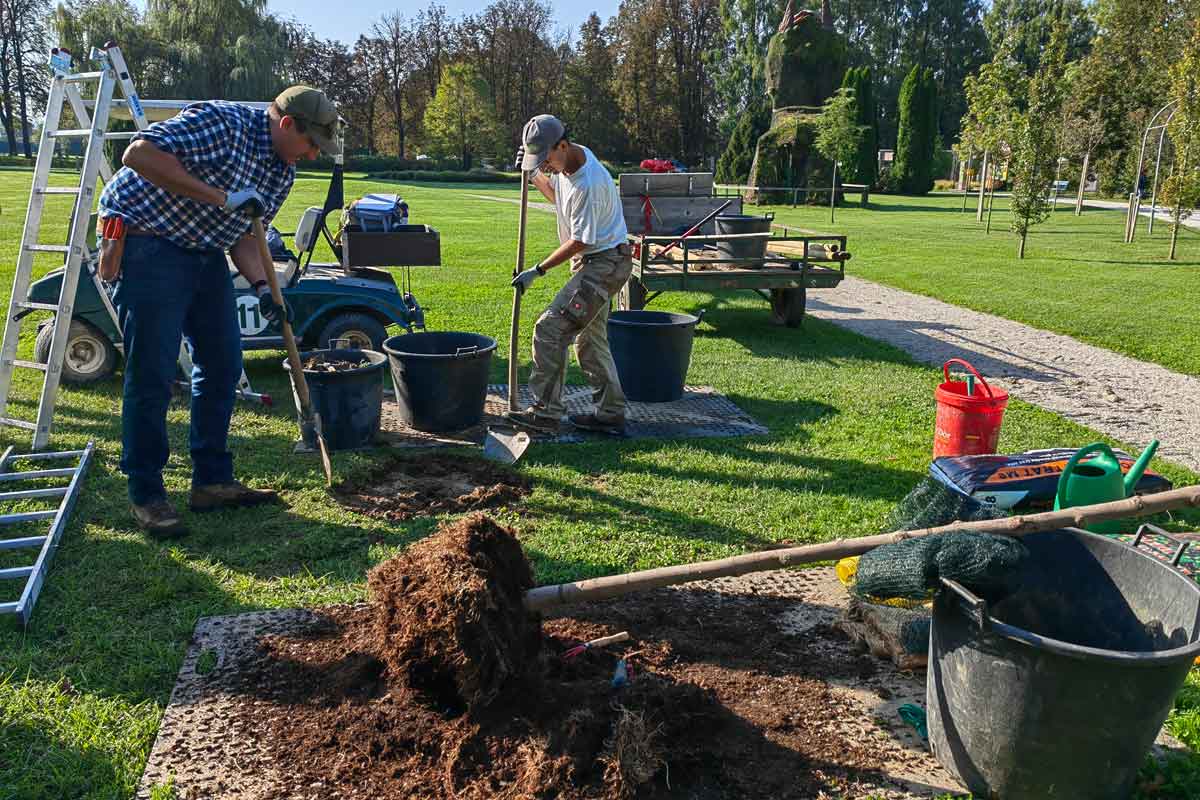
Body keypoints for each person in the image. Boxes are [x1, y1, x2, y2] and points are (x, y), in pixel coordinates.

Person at [97, 86, 340, 538]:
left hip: (203, 248)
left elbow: (246, 237)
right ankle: (146, 493)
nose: (311, 156)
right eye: (311, 145)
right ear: (288, 125)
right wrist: (220, 196)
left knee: (224, 363)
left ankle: (211, 480)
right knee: (153, 371)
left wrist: (266, 288)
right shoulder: (224, 126)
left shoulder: (281, 172)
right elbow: (138, 154)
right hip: (146, 239)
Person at [507, 114, 633, 437]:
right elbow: (560, 199)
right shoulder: (569, 162)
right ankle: (611, 415)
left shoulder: (589, 182)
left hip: (604, 264)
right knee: (590, 342)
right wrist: (535, 174)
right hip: (595, 260)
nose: (545, 164)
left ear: (562, 145)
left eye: (545, 157)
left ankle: (546, 414)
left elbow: (581, 240)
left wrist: (537, 271)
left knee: (549, 329)